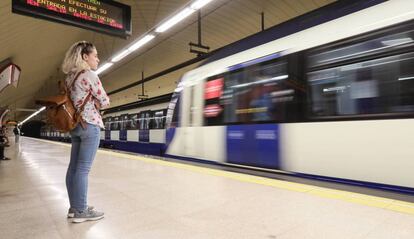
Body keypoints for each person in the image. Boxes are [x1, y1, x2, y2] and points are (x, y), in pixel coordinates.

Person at [61, 41, 110, 223]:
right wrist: (99, 102)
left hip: (76, 127)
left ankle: (75, 207)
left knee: (73, 168)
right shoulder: (89, 75)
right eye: (95, 55)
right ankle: (81, 211)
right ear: (84, 57)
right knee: (83, 170)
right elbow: (105, 101)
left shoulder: (70, 77)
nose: (97, 58)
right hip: (90, 126)